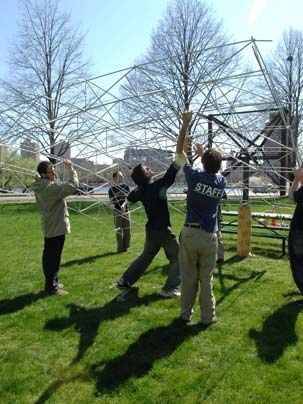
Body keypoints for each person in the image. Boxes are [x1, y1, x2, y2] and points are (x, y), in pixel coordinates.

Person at [115, 112, 192, 298]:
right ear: (145, 176)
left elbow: (130, 198)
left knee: (146, 257)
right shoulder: (159, 185)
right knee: (178, 257)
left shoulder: (140, 191)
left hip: (152, 232)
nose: (150, 168)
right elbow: (179, 158)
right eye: (146, 169)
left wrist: (127, 200)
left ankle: (124, 280)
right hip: (163, 231)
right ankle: (169, 288)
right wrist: (185, 124)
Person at [176, 111, 226, 325]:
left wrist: (185, 123)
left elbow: (179, 152)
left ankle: (185, 315)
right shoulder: (221, 182)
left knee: (188, 278)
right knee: (206, 279)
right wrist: (204, 153)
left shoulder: (195, 177)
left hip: (190, 233)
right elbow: (214, 168)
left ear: (203, 163)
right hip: (210, 237)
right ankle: (208, 316)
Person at [31, 159, 79, 296]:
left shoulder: (41, 184)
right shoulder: (49, 188)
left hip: (50, 224)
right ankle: (52, 287)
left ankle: (52, 282)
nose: (53, 173)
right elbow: (72, 185)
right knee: (53, 257)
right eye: (51, 171)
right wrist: (71, 169)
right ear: (43, 174)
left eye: (53, 170)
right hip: (56, 225)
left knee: (50, 255)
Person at [108, 170, 131, 253]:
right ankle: (119, 248)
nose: (122, 177)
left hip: (126, 211)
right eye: (120, 176)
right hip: (117, 212)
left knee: (127, 231)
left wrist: (123, 206)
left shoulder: (126, 187)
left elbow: (127, 198)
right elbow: (111, 202)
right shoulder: (111, 190)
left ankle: (126, 248)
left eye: (122, 176)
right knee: (118, 231)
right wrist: (114, 207)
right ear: (115, 178)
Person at [216, 191, 227, 263]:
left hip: (216, 217)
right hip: (204, 217)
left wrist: (218, 200)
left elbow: (225, 201)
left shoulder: (220, 187)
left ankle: (220, 257)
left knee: (218, 237)